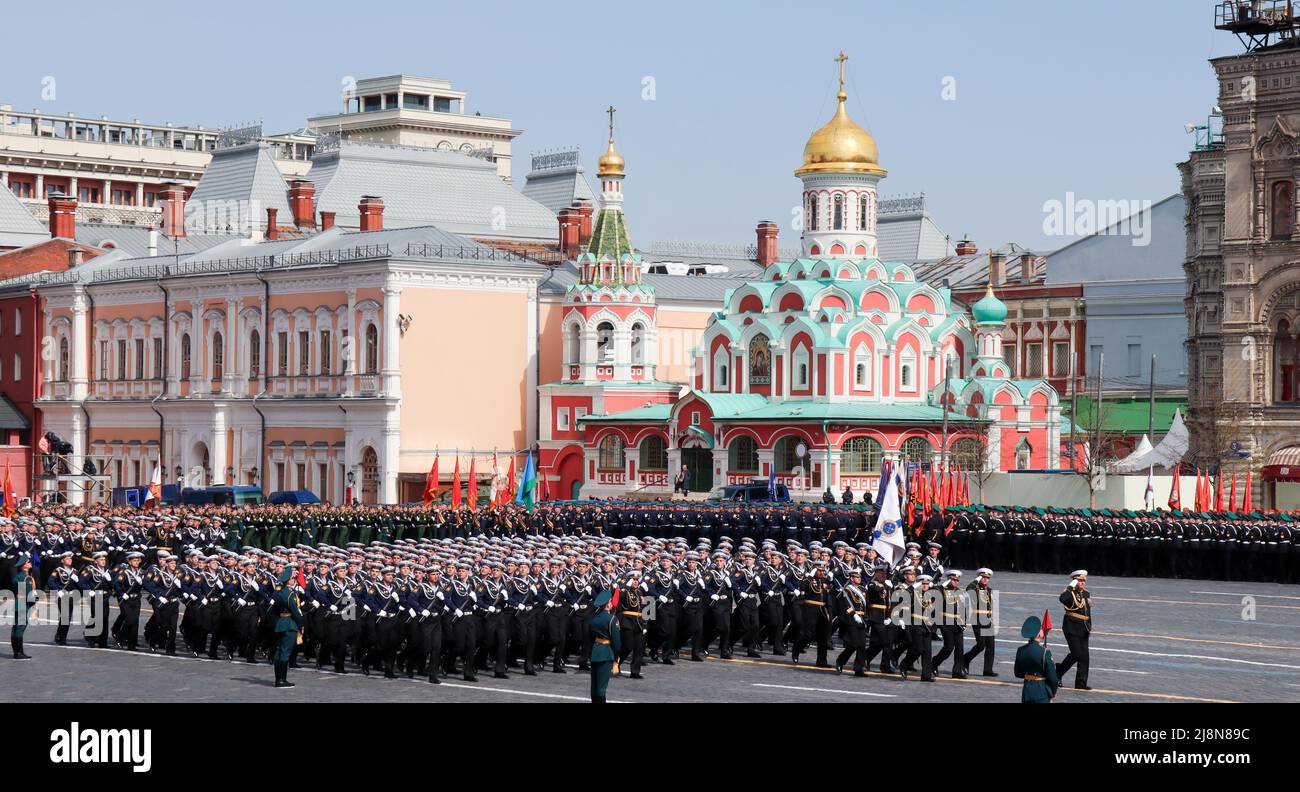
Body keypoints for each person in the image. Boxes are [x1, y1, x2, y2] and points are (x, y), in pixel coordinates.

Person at [1055, 569, 1093, 690]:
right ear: (1074, 581)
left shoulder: (1086, 594)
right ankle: (1058, 672)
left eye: (1083, 581)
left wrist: (1089, 626)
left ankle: (1081, 683)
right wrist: (1070, 586)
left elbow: (1087, 612)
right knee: (1076, 654)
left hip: (1084, 627)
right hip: (1071, 627)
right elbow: (1062, 599)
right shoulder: (1069, 593)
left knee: (1085, 656)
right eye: (1080, 580)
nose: (1082, 583)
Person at [271, 565, 304, 688]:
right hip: (290, 623)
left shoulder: (279, 593)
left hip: (281, 622)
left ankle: (278, 679)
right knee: (285, 652)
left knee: (279, 652)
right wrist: (301, 624)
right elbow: (295, 612)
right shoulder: (289, 595)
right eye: (292, 578)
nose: (294, 580)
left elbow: (274, 609)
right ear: (288, 580)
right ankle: (281, 680)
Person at [1013, 615, 1059, 703]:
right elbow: (1053, 678)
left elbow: (1018, 673)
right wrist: (1052, 693)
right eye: (1041, 629)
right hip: (1042, 694)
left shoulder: (1021, 650)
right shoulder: (1045, 653)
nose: (1043, 630)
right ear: (1038, 634)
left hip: (1026, 693)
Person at [588, 588, 620, 703]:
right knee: (601, 688)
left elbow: (590, 637)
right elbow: (616, 642)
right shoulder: (612, 619)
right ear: (608, 604)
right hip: (607, 653)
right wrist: (616, 657)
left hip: (595, 652)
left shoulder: (593, 619)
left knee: (594, 687)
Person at [10, 553, 36, 659]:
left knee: (16, 628)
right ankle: (19, 652)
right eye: (28, 562)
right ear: (23, 565)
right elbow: (29, 595)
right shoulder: (26, 578)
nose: (30, 563)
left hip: (18, 603)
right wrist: (35, 601)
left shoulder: (17, 577)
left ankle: (17, 651)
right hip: (24, 605)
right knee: (20, 627)